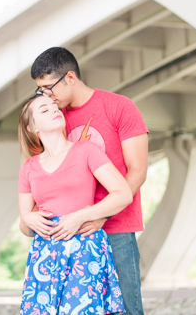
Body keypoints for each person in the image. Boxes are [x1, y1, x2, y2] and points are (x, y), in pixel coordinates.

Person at [29, 47, 149, 315]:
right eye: (41, 91)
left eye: (49, 88)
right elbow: (42, 175)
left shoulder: (120, 107)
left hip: (116, 227)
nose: (46, 96)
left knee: (126, 308)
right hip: (67, 235)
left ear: (70, 77)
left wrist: (101, 216)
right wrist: (31, 217)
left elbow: (138, 171)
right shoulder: (53, 119)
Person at [18, 94, 133, 315]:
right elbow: (26, 228)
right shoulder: (29, 167)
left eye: (54, 106)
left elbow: (123, 194)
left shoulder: (86, 150)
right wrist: (27, 219)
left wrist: (81, 216)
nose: (54, 109)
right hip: (45, 254)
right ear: (32, 127)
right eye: (44, 110)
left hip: (84, 248)